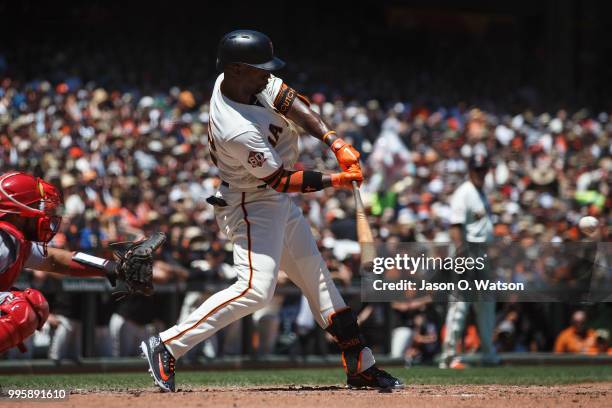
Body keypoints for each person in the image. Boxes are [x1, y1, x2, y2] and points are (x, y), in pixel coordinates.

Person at [141, 29, 403, 392]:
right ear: (235, 69)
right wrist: (335, 180)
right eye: (259, 68)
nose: (268, 73)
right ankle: (167, 343)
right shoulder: (235, 126)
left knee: (319, 282)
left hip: (271, 198)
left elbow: (292, 102)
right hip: (250, 202)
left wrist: (333, 141)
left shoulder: (242, 81)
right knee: (255, 290)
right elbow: (281, 180)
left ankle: (360, 363)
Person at [0, 171, 158, 355]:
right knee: (22, 308)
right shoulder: (5, 238)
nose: (42, 213)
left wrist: (113, 267)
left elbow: (54, 259)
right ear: (18, 211)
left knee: (30, 304)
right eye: (36, 205)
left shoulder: (13, 239)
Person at [438, 153, 500, 369]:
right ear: (470, 170)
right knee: (460, 305)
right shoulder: (464, 192)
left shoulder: (481, 192)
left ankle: (489, 354)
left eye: (484, 169)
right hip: (467, 252)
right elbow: (455, 227)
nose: (481, 173)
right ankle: (449, 356)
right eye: (478, 169)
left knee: (486, 305)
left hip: (481, 253)